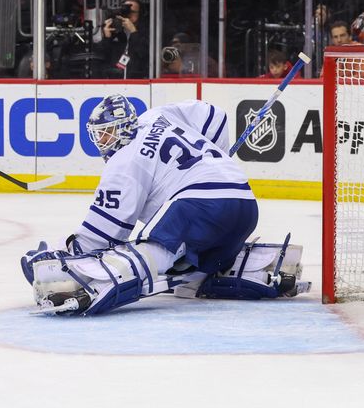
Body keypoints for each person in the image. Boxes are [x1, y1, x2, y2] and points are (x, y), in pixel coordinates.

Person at [20, 94, 310, 315]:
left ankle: (92, 281)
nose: (102, 141)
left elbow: (102, 236)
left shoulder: (124, 161)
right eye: (99, 134)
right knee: (188, 274)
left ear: (123, 128)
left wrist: (61, 255)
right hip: (244, 202)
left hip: (198, 204)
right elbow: (215, 116)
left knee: (154, 249)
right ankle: (256, 269)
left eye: (107, 132)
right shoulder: (157, 115)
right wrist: (214, 159)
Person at [94, 0, 148, 78]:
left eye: (132, 12)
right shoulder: (115, 31)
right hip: (114, 81)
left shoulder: (147, 32)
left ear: (140, 14)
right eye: (125, 11)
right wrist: (107, 38)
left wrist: (134, 32)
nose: (128, 14)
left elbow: (144, 54)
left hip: (137, 81)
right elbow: (99, 56)